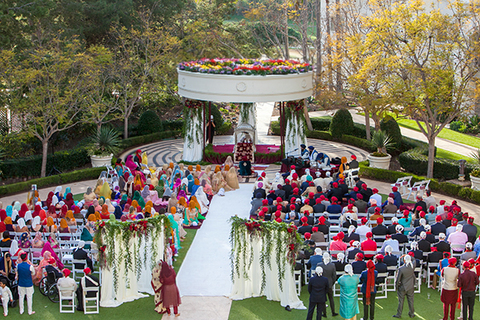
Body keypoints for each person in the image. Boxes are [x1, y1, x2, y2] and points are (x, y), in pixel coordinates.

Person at [319, 253, 338, 317]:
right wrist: (332, 283)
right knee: (331, 299)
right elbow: (334, 276)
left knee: (323, 300)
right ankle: (333, 312)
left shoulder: (319, 265)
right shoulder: (332, 265)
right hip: (329, 284)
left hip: (322, 284)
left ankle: (324, 313)